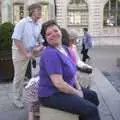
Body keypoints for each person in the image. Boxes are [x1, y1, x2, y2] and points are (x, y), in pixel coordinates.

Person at [38, 20, 101, 120]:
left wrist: (79, 88)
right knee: (91, 110)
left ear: (60, 31)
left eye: (55, 30)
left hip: (66, 86)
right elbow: (59, 84)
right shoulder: (50, 53)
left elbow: (73, 71)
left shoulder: (64, 48)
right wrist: (77, 93)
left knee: (93, 96)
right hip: (52, 94)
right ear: (46, 38)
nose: (53, 34)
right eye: (48, 34)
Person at [12, 3, 44, 108]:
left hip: (32, 51)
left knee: (37, 74)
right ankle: (16, 99)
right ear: (32, 11)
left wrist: (40, 45)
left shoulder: (39, 24)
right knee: (19, 77)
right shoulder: (22, 23)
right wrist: (26, 53)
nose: (40, 12)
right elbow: (16, 39)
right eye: (38, 10)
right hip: (19, 51)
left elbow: (39, 38)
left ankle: (37, 96)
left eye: (41, 10)